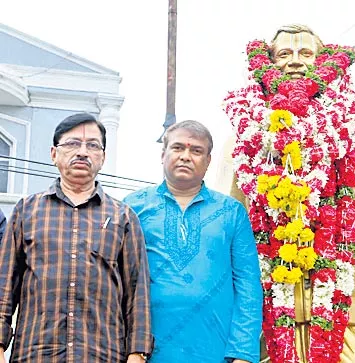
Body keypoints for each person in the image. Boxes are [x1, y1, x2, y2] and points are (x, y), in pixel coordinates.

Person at [222, 24, 355, 363]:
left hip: (348, 318)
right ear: (267, 63)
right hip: (266, 325)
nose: (294, 62)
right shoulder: (244, 144)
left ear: (324, 62)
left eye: (306, 53)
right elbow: (226, 242)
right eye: (283, 54)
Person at [0, 113, 153, 362]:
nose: (82, 152)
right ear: (53, 154)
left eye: (92, 145)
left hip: (101, 355)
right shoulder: (26, 210)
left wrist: (137, 353)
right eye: (72, 144)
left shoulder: (123, 216)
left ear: (102, 157)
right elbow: (4, 285)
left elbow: (137, 292)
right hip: (36, 354)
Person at [124, 120, 262, 363]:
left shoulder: (231, 212)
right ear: (163, 154)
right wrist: (129, 349)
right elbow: (121, 281)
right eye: (178, 148)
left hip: (215, 350)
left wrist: (242, 354)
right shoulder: (133, 207)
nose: (186, 156)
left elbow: (248, 285)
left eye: (196, 151)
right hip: (147, 351)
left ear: (208, 161)